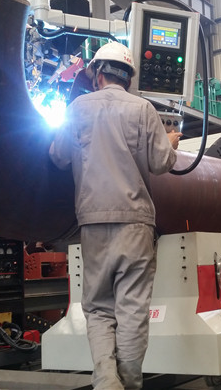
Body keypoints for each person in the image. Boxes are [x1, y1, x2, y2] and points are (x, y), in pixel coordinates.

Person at [49, 41, 182, 390]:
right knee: (132, 309)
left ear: (97, 74)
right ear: (129, 77)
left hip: (92, 222)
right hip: (135, 223)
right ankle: (129, 384)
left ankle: (107, 380)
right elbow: (161, 163)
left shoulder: (77, 108)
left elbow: (58, 156)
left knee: (98, 309)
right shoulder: (143, 109)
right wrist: (170, 143)